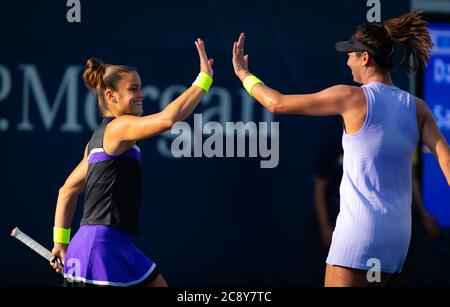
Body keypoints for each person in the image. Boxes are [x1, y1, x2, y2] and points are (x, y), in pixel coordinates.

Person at [232, 12, 450, 286]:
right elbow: (446, 159)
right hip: (397, 240)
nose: (347, 60)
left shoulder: (350, 96)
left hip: (359, 236)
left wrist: (244, 74)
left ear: (365, 58)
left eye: (351, 54)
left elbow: (276, 103)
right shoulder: (418, 108)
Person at [50, 38, 214, 287]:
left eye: (140, 87)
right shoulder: (119, 127)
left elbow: (67, 190)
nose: (141, 94)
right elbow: (167, 120)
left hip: (108, 244)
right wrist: (204, 79)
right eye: (134, 89)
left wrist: (60, 243)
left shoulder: (97, 141)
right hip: (101, 248)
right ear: (111, 96)